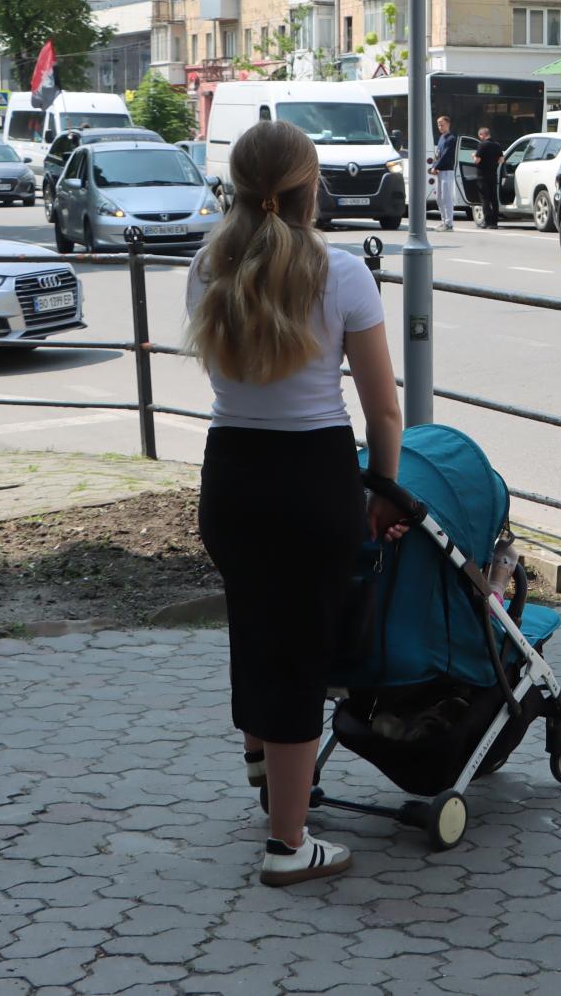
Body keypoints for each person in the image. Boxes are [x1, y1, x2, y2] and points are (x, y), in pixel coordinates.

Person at [185, 120, 412, 888]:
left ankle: (264, 761)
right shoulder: (342, 275)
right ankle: (288, 842)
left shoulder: (206, 267)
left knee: (255, 626)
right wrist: (382, 489)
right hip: (314, 481)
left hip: (231, 476)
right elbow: (384, 411)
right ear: (311, 189)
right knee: (300, 654)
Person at [430, 116, 460, 232]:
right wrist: (434, 166)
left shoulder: (451, 139)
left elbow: (446, 155)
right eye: (438, 125)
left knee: (446, 198)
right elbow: (438, 155)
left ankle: (449, 223)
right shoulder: (441, 138)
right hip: (440, 171)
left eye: (442, 124)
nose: (440, 127)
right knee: (439, 198)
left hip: (447, 171)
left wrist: (436, 166)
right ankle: (443, 221)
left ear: (448, 124)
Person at [473, 127, 503, 229]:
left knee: (485, 199)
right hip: (493, 175)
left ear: (482, 135)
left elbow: (477, 160)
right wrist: (494, 164)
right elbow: (501, 159)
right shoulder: (497, 145)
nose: (480, 138)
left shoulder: (482, 145)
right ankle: (494, 222)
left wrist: (473, 156)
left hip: (482, 176)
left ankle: (487, 222)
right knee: (494, 198)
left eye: (480, 136)